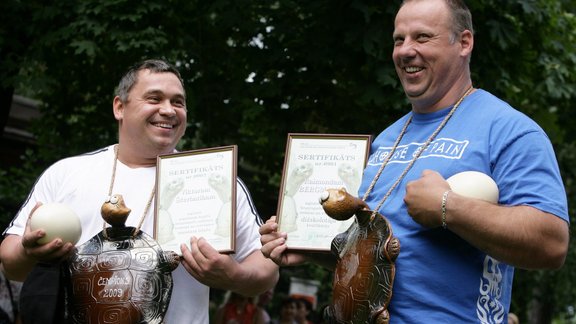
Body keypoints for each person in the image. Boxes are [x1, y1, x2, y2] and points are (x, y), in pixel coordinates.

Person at [259, 0, 570, 322]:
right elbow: (389, 256)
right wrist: (308, 249)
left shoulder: (509, 130)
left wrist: (448, 206)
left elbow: (551, 243)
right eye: (399, 39)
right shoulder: (386, 140)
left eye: (422, 37)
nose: (405, 50)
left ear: (464, 42)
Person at [0, 59, 278, 323]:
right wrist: (29, 252)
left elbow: (266, 267)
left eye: (178, 102)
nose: (169, 110)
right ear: (119, 107)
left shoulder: (215, 180)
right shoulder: (67, 173)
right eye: (155, 98)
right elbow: (10, 262)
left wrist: (235, 276)